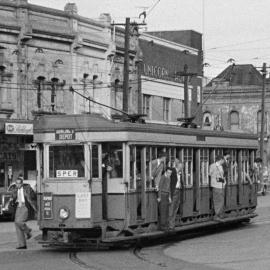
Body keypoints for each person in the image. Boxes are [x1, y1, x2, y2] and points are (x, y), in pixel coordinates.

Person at [11, 175, 37, 249]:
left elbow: (33, 196)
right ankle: (22, 245)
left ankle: (28, 230)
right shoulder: (14, 190)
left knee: (19, 222)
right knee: (17, 224)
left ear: (22, 184)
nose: (18, 185)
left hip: (25, 206)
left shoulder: (27, 188)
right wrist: (13, 198)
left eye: (19, 183)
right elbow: (12, 198)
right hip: (18, 207)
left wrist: (28, 194)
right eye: (17, 183)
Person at [168, 159, 184, 230]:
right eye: (181, 166)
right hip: (173, 191)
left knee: (175, 208)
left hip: (178, 191)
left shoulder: (179, 173)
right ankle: (170, 225)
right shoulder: (172, 171)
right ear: (178, 166)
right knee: (171, 208)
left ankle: (172, 224)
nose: (182, 168)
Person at [209, 155, 225, 221]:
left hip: (221, 185)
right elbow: (210, 174)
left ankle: (218, 214)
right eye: (223, 160)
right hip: (216, 185)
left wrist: (223, 181)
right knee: (217, 201)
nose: (224, 161)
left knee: (221, 201)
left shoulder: (221, 166)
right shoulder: (212, 166)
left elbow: (221, 176)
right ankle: (216, 215)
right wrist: (219, 179)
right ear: (220, 160)